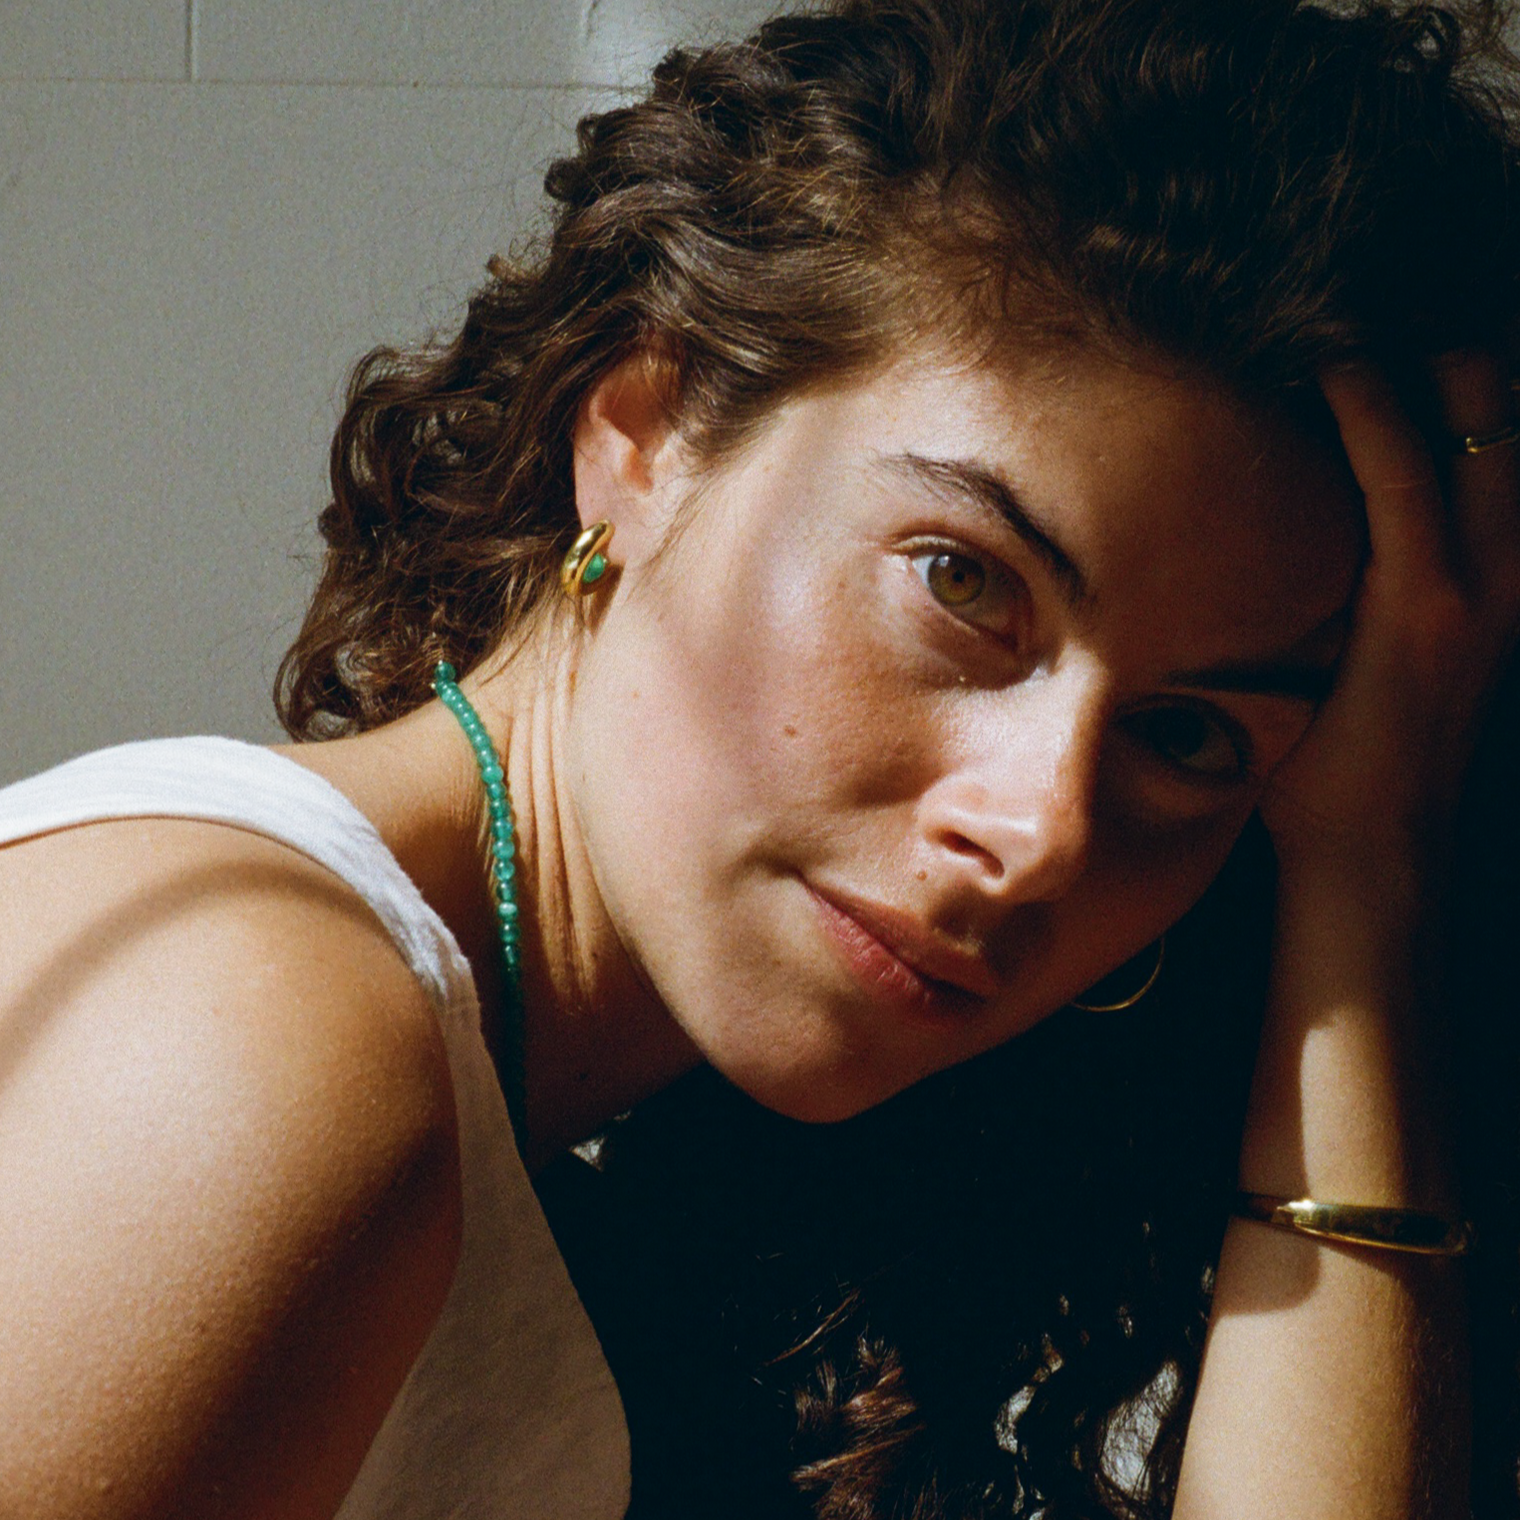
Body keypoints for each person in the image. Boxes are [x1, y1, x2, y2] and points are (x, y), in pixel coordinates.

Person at [2, 0, 1517, 1515]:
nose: (1046, 829)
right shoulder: (246, 1049)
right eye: (964, 580)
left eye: (1189, 734)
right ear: (643, 431)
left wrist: (1366, 861)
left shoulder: (500, 1107)